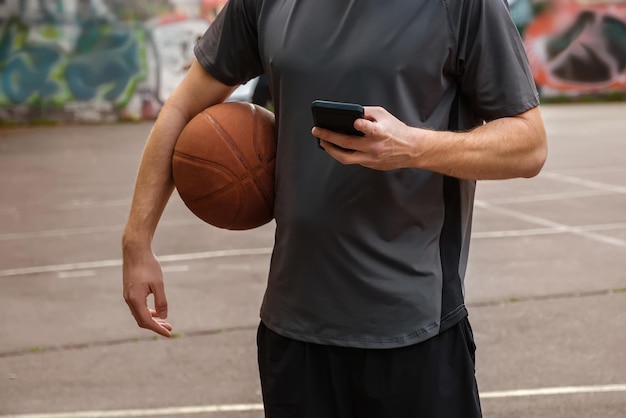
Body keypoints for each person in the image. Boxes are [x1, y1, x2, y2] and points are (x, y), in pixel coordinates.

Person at [122, 0, 547, 417]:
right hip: (294, 332)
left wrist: (413, 146)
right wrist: (136, 241)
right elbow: (183, 105)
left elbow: (529, 145)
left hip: (414, 331)